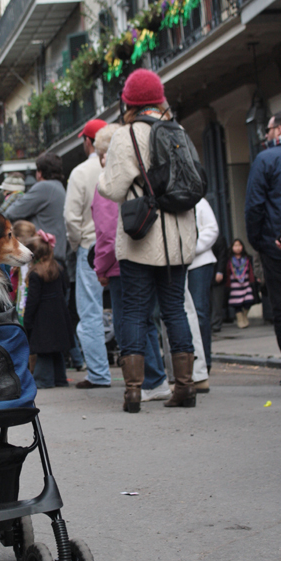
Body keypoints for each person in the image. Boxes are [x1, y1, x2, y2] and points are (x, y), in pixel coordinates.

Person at [98, 69, 197, 412]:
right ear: (158, 99)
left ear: (128, 102)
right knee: (174, 310)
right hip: (179, 237)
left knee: (135, 312)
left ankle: (133, 391)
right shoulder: (178, 130)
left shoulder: (126, 135)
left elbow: (112, 189)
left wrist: (103, 177)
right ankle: (185, 386)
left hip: (142, 235)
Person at [92, 123, 171, 401]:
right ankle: (157, 378)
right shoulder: (142, 177)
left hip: (119, 263)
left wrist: (100, 267)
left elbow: (105, 233)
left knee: (129, 323)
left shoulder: (107, 183)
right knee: (145, 320)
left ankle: (149, 380)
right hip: (144, 256)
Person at [245, 110, 281, 386]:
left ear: (279, 130)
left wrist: (257, 242)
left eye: (268, 130)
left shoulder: (265, 159)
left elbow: (254, 205)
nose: (265, 135)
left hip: (277, 245)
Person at [64, 119, 112, 390]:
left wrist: (77, 244)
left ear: (89, 141)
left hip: (90, 245)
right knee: (128, 308)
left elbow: (71, 218)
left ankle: (99, 373)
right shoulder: (120, 166)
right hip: (121, 244)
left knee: (90, 311)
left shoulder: (80, 172)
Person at [23, 231, 74, 389]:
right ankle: (60, 378)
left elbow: (33, 300)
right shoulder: (58, 268)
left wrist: (27, 320)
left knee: (44, 351)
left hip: (43, 319)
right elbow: (65, 289)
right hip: (59, 314)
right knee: (56, 350)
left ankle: (43, 379)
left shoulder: (35, 274)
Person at [4, 153, 67, 265]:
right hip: (57, 257)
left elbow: (11, 212)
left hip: (43, 259)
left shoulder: (44, 187)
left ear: (40, 173)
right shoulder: (60, 188)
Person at [187, 198, 219, 379]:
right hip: (178, 264)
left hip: (199, 262)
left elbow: (212, 229)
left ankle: (204, 361)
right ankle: (188, 362)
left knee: (199, 312)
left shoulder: (199, 202)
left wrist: (192, 248)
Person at [226, 239, 256, 328]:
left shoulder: (247, 258)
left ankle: (244, 315)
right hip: (234, 285)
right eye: (235, 246)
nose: (238, 248)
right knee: (237, 304)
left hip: (246, 283)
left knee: (249, 300)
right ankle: (240, 320)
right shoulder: (229, 259)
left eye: (239, 245)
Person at [210, 234, 229, 333]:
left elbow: (222, 256)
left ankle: (216, 324)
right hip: (205, 274)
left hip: (216, 273)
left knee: (217, 301)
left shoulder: (218, 238)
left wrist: (220, 271)